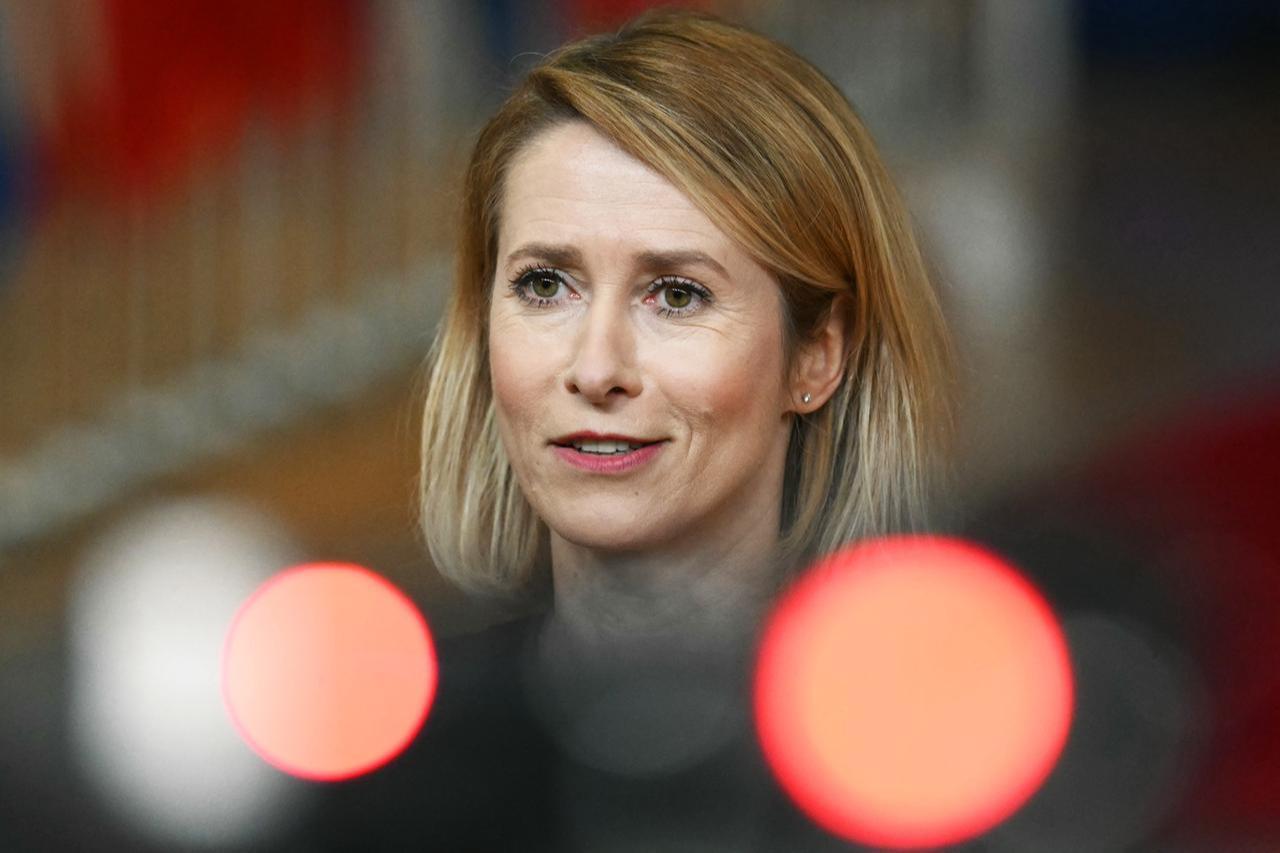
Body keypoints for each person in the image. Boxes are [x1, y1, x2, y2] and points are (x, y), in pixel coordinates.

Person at [407, 6, 954, 848]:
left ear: (817, 355)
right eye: (546, 284)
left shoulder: (927, 780)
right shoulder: (406, 763)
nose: (595, 368)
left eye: (677, 294)